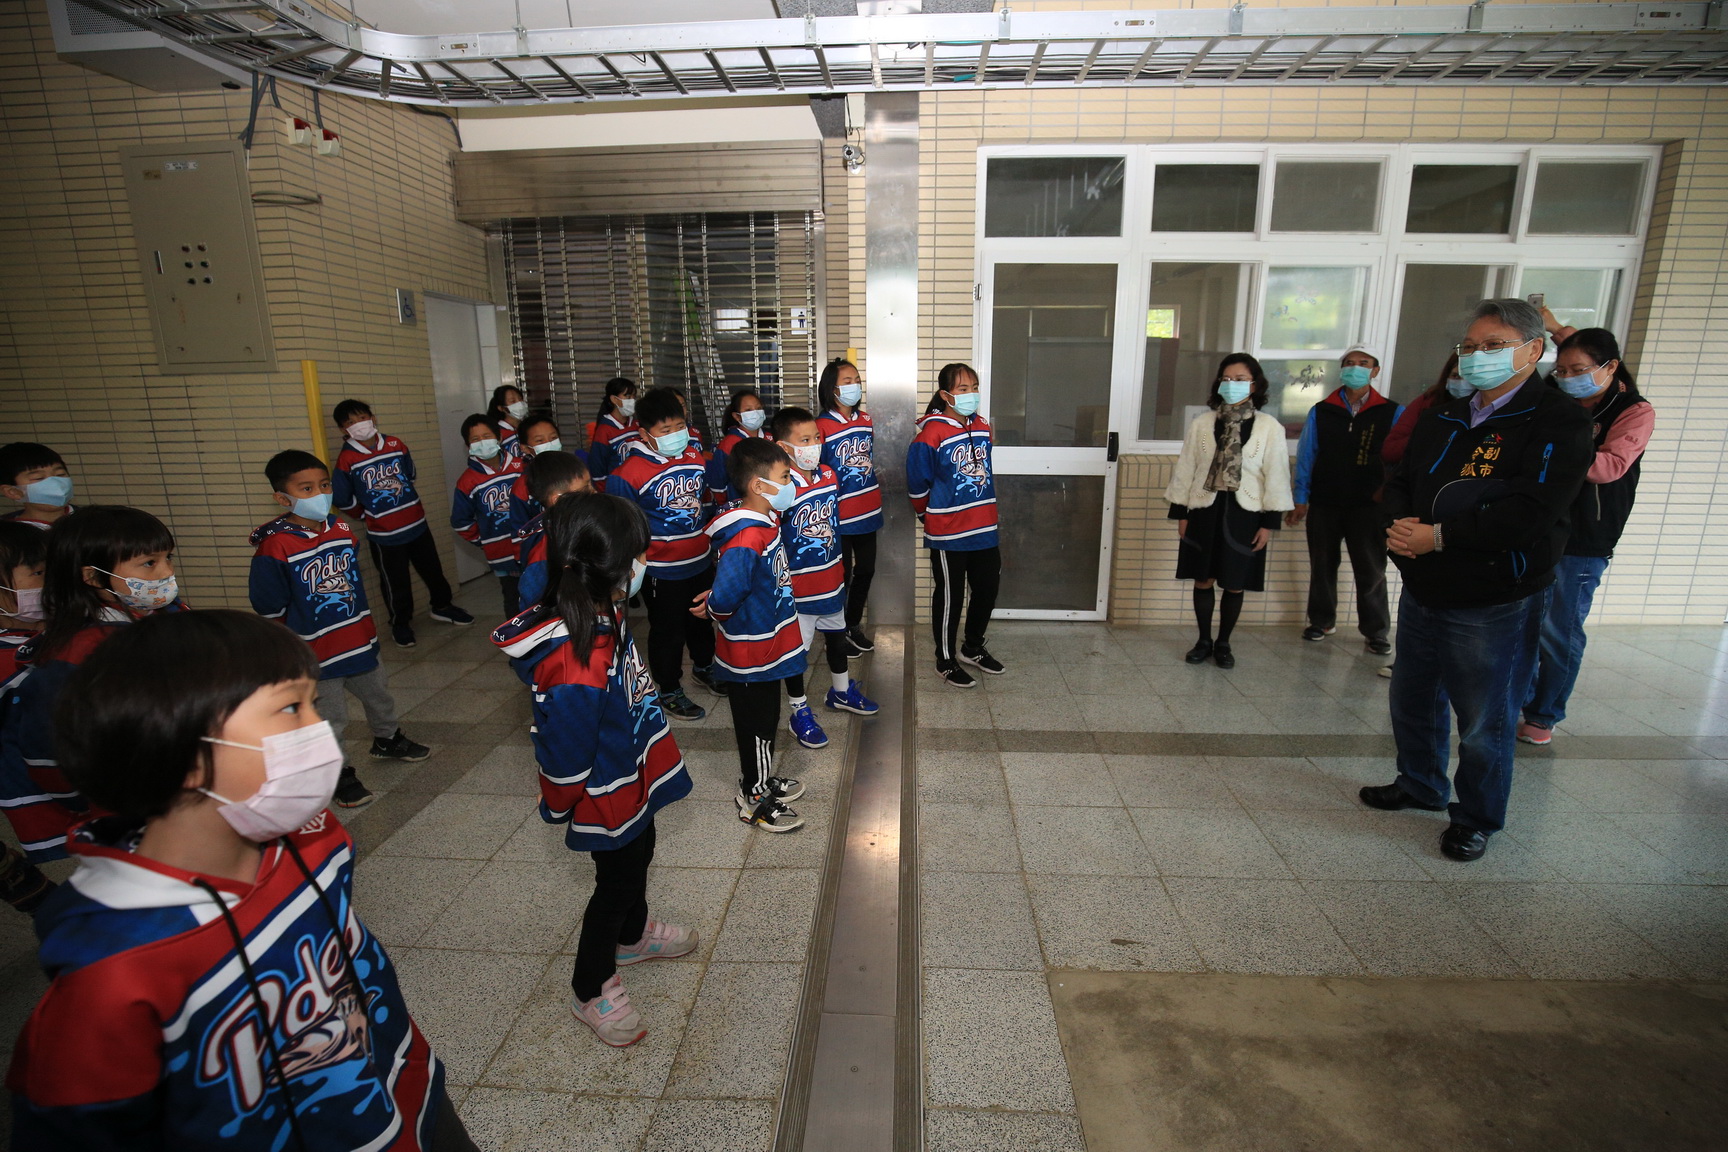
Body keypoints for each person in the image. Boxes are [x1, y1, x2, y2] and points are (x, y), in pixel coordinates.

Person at [9, 609, 476, 1150]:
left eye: (313, 703)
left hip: (409, 1094)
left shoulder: (317, 836)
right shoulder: (112, 972)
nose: (319, 730)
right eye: (291, 708)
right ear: (181, 753)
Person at [1362, 298, 1593, 863]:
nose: (1477, 356)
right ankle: (1420, 783)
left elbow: (1532, 512)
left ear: (1533, 351)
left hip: (1495, 596)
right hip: (1426, 584)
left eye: (1493, 346)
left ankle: (1476, 817)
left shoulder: (1557, 420)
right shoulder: (1444, 414)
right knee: (1413, 699)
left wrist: (1439, 537)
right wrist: (1400, 526)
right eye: (1470, 346)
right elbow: (1400, 479)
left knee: (1484, 717)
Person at [493, 495, 696, 1048]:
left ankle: (633, 936)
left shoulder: (604, 608)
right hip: (604, 786)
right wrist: (560, 800)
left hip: (629, 764)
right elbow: (566, 747)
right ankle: (590, 986)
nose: (644, 563)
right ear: (607, 564)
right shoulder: (576, 658)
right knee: (618, 880)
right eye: (638, 554)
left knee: (642, 848)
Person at [0, 505, 186, 864]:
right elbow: (46, 744)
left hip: (174, 787)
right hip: (127, 806)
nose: (166, 572)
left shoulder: (155, 617)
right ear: (92, 577)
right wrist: (83, 800)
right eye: (149, 563)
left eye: (168, 558)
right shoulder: (80, 651)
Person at [252, 449, 432, 808]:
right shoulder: (275, 546)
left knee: (378, 694)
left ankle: (387, 739)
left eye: (324, 485)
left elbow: (352, 581)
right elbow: (268, 604)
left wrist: (367, 629)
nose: (319, 494)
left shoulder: (341, 528)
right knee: (329, 717)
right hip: (316, 651)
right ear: (283, 498)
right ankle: (338, 773)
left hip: (358, 638)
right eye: (306, 489)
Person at [1518, 327, 1654, 747]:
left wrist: (1549, 454)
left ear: (1610, 367)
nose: (1567, 377)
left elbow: (1609, 467)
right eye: (1561, 370)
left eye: (1578, 370)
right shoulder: (1552, 399)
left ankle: (1544, 714)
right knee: (1523, 622)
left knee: (1559, 629)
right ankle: (1519, 700)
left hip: (1585, 535)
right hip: (1536, 525)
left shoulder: (1633, 410)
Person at [698, 439, 807, 833]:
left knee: (766, 717)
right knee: (757, 724)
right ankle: (754, 796)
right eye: (785, 477)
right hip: (751, 650)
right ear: (759, 486)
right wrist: (714, 606)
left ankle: (761, 777)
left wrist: (715, 598)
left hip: (767, 640)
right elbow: (730, 590)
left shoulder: (763, 521)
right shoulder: (747, 536)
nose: (792, 483)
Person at [1166, 354, 1293, 671]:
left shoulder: (1269, 427)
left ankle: (1223, 643)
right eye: (1226, 378)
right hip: (1204, 510)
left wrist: (1269, 523)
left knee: (1235, 582)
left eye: (1240, 379)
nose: (1231, 384)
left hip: (1245, 514)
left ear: (1255, 385)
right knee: (1203, 578)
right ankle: (1203, 641)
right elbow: (1186, 468)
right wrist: (1181, 512)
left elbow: (1277, 475)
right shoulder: (1202, 423)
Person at [605, 387, 721, 721]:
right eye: (665, 430)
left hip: (699, 560)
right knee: (668, 631)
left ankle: (704, 667)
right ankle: (669, 688)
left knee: (702, 621)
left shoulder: (694, 457)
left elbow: (702, 502)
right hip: (661, 569)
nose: (676, 435)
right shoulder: (627, 474)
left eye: (680, 426)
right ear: (644, 434)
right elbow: (622, 527)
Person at [771, 406, 879, 751]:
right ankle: (799, 711)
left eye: (817, 437)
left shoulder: (829, 475)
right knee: (797, 654)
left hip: (832, 578)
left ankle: (841, 691)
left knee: (836, 636)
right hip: (800, 588)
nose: (814, 445)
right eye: (804, 440)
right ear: (784, 447)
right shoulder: (781, 488)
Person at [331, 398, 474, 648]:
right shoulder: (347, 458)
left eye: (363, 418)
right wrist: (366, 514)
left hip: (416, 523)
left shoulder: (395, 444)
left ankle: (442, 606)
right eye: (351, 422)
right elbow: (342, 498)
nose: (359, 424)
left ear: (373, 418)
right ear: (344, 429)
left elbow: (410, 474)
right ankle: (400, 623)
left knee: (433, 570)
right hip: (384, 535)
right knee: (395, 582)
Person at [1288, 345, 1401, 655]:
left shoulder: (1392, 412)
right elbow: (1307, 454)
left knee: (1371, 568)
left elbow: (1398, 460)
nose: (1355, 368)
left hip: (1369, 505)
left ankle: (1376, 631)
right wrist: (1301, 497)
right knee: (1322, 564)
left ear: (1375, 370)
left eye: (1363, 363)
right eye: (1349, 363)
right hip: (1325, 501)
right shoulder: (1322, 410)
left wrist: (1392, 500)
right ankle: (1321, 621)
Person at [908, 363, 1005, 689]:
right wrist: (929, 516)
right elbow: (917, 484)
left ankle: (972, 647)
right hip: (948, 532)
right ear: (945, 394)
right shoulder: (930, 434)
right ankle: (945, 660)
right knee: (950, 596)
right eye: (963, 389)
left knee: (987, 588)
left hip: (984, 527)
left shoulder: (982, 426)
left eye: (974, 387)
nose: (971, 394)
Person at [0, 522, 55, 913]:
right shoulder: (8, 659)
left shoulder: (62, 633)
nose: (49, 582)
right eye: (37, 572)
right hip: (46, 787)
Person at [817, 358, 882, 658]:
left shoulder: (866, 419)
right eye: (847, 381)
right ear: (832, 388)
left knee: (866, 570)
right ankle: (836, 632)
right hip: (838, 515)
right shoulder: (821, 426)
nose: (854, 385)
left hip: (868, 510)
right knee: (840, 576)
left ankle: (852, 624)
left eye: (857, 380)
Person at [450, 414, 526, 614]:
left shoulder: (521, 466)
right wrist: (485, 541)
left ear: (499, 437)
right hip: (502, 555)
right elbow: (460, 521)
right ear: (468, 445)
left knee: (540, 594)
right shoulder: (467, 481)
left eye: (487, 436)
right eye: (475, 439)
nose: (482, 442)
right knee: (514, 600)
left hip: (531, 546)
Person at [515, 450, 594, 611]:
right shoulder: (544, 549)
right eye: (586, 488)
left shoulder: (578, 528)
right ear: (558, 500)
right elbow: (532, 605)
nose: (594, 492)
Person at [705, 388, 771, 502]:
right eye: (748, 410)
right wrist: (725, 506)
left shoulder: (770, 438)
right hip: (740, 504)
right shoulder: (729, 443)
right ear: (737, 416)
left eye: (759, 408)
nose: (755, 413)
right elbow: (718, 482)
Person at [509, 412, 567, 530]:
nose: (549, 443)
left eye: (553, 438)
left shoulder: (574, 472)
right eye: (540, 441)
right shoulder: (524, 486)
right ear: (525, 448)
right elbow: (520, 530)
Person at [0, 442, 74, 529]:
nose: (55, 483)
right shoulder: (9, 534)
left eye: (60, 474)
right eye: (38, 478)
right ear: (12, 492)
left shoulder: (86, 519)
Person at [587, 377, 640, 485]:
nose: (632, 401)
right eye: (627, 396)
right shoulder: (604, 430)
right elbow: (597, 466)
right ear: (614, 399)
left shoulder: (637, 424)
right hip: (615, 487)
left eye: (633, 397)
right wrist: (605, 490)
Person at [487, 383, 531, 460]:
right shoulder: (496, 432)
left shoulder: (528, 427)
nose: (519, 403)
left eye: (520, 399)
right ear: (501, 408)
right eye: (513, 401)